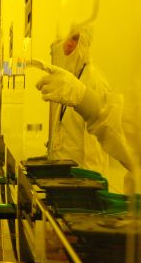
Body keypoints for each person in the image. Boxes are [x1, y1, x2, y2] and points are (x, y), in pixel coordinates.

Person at [30, 25, 134, 179]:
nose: (68, 43)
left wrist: (91, 182)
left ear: (85, 42)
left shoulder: (94, 80)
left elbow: (95, 146)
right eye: (68, 37)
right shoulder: (73, 76)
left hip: (82, 179)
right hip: (67, 177)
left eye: (75, 38)